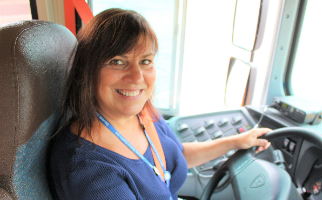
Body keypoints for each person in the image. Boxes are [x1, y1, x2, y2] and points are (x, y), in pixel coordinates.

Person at [48, 8, 271, 200]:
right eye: (118, 61)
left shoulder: (143, 114)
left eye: (145, 61)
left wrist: (237, 141)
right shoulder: (89, 170)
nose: (137, 77)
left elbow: (177, 156)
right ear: (88, 71)